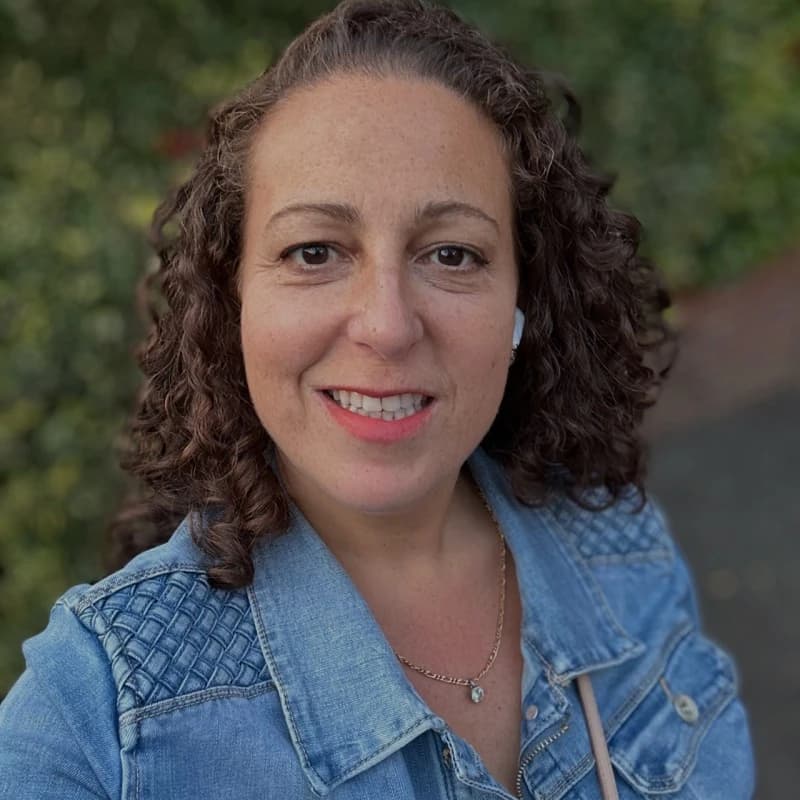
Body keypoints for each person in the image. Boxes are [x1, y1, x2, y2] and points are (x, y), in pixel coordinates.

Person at [0, 0, 755, 797]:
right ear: (233, 302)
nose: (388, 326)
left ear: (524, 304)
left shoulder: (626, 556)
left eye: (453, 254)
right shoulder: (99, 714)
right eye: (314, 250)